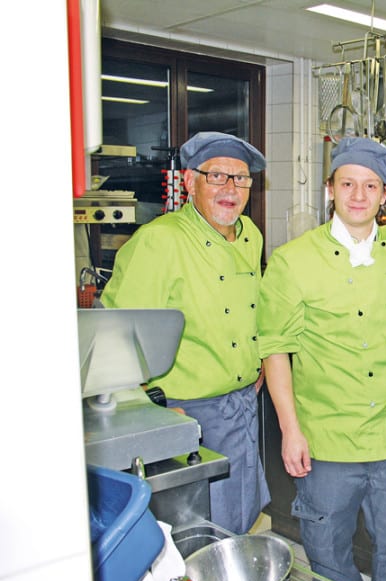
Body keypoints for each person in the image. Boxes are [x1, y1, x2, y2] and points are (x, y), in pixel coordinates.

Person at [257, 136, 386, 581]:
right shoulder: (292, 260)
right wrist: (290, 429)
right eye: (348, 183)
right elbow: (275, 349)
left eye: (370, 185)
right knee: (327, 556)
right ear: (330, 189)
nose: (358, 196)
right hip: (324, 440)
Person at [101, 131, 271, 535]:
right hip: (186, 410)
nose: (231, 188)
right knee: (195, 531)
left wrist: (258, 357)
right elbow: (115, 335)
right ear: (189, 182)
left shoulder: (250, 234)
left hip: (242, 406)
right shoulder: (160, 240)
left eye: (241, 178)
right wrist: (145, 409)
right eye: (217, 177)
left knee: (240, 517)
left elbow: (251, 308)